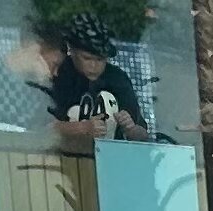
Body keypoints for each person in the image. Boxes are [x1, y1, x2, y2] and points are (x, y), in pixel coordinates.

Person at [40, 13, 149, 141]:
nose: (93, 66)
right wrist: (82, 128)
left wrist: (131, 129)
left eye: (100, 59)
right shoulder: (58, 74)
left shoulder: (118, 80)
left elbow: (143, 135)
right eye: (87, 58)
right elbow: (40, 129)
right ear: (72, 51)